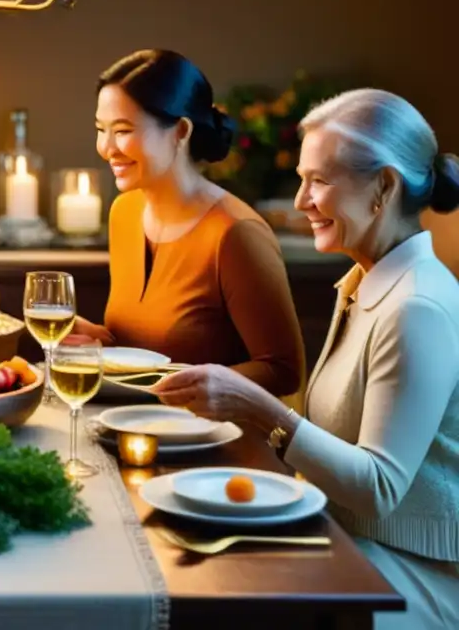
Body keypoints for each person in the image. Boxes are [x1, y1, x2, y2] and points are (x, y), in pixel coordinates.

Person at [152, 89, 459, 628]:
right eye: (301, 178)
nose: (300, 200)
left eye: (319, 180)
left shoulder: (418, 308)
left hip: (416, 577)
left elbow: (378, 489)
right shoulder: (366, 279)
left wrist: (260, 408)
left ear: (383, 187)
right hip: (351, 544)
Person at [72, 49, 304, 396]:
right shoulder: (124, 212)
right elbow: (155, 347)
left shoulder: (236, 233)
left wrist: (196, 386)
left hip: (214, 439)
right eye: (100, 129)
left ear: (180, 131)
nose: (107, 148)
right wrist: (102, 342)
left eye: (122, 130)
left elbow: (283, 371)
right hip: (134, 428)